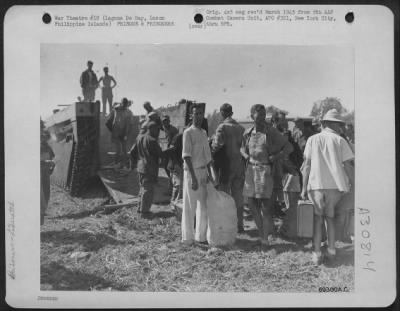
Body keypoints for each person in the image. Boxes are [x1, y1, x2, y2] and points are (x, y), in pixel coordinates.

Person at [301, 109, 354, 264]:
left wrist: (304, 188)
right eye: (339, 125)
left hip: (316, 184)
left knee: (318, 219)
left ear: (323, 123)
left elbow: (306, 166)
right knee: (330, 217)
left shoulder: (312, 139)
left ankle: (317, 254)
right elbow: (348, 166)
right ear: (333, 124)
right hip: (335, 187)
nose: (340, 128)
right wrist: (354, 183)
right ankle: (331, 250)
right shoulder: (340, 140)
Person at [241, 105, 293, 245]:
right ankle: (262, 232)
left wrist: (275, 157)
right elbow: (242, 148)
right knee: (251, 203)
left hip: (264, 171)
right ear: (252, 117)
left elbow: (289, 147)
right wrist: (245, 155)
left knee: (265, 206)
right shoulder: (248, 133)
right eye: (259, 117)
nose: (262, 119)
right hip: (251, 170)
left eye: (264, 116)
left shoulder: (271, 132)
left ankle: (264, 238)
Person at [181, 103, 215, 246]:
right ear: (191, 115)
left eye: (201, 114)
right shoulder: (188, 132)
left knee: (203, 206)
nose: (199, 116)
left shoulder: (203, 133)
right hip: (191, 173)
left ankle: (200, 236)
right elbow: (186, 156)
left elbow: (208, 157)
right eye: (196, 114)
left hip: (202, 173)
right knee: (190, 207)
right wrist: (194, 178)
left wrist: (210, 174)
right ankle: (187, 238)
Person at [211, 103, 246, 233]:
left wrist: (211, 147)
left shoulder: (222, 127)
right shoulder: (241, 128)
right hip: (239, 165)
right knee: (238, 196)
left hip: (226, 166)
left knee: (224, 195)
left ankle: (225, 223)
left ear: (222, 113)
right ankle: (240, 224)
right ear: (231, 112)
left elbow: (217, 145)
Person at [136, 121, 164, 218]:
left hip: (141, 166)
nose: (158, 132)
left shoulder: (140, 137)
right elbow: (160, 153)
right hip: (149, 168)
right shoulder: (152, 140)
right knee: (148, 190)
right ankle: (145, 212)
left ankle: (140, 208)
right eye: (157, 129)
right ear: (152, 129)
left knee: (142, 189)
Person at [108, 98, 134, 169]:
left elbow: (129, 124)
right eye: (123, 104)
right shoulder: (116, 109)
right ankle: (118, 163)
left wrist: (126, 134)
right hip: (117, 131)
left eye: (125, 104)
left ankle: (124, 164)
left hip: (123, 132)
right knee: (119, 149)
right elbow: (112, 121)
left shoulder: (128, 112)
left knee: (123, 149)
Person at [40, 120, 55, 225]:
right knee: (40, 193)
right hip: (37, 169)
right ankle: (40, 213)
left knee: (46, 191)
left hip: (45, 169)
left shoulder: (46, 145)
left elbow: (52, 155)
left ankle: (43, 211)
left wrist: (51, 166)